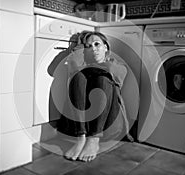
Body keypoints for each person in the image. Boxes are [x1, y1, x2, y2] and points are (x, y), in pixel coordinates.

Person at [51, 31, 132, 162]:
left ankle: (94, 139)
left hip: (108, 126)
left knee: (103, 79)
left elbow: (112, 70)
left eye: (97, 44)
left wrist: (88, 67)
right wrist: (76, 50)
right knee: (77, 76)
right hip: (79, 126)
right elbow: (52, 70)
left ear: (106, 47)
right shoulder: (80, 64)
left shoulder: (117, 65)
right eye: (88, 46)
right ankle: (81, 138)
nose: (93, 48)